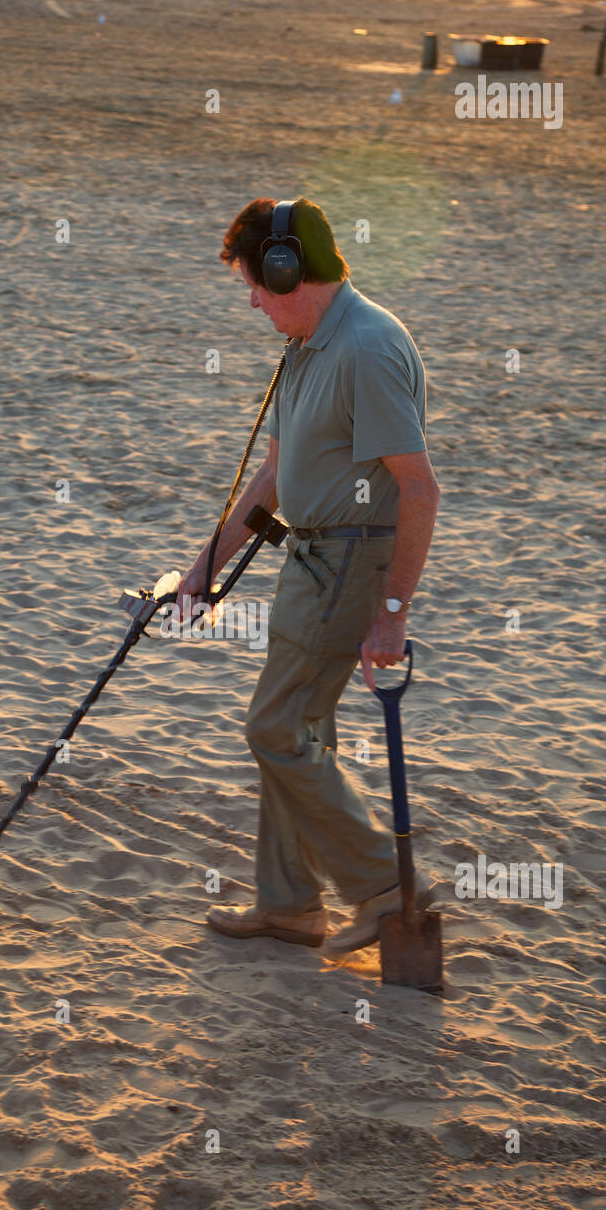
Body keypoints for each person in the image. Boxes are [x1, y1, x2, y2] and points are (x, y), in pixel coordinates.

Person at [175, 197, 440, 954]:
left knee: (277, 728)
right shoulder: (311, 344)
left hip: (351, 560)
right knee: (297, 728)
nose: (254, 301)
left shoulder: (365, 349)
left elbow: (420, 489)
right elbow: (275, 477)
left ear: (292, 271)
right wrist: (201, 575)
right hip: (309, 559)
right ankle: (290, 904)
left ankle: (384, 888)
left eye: (259, 284)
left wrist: (392, 612)